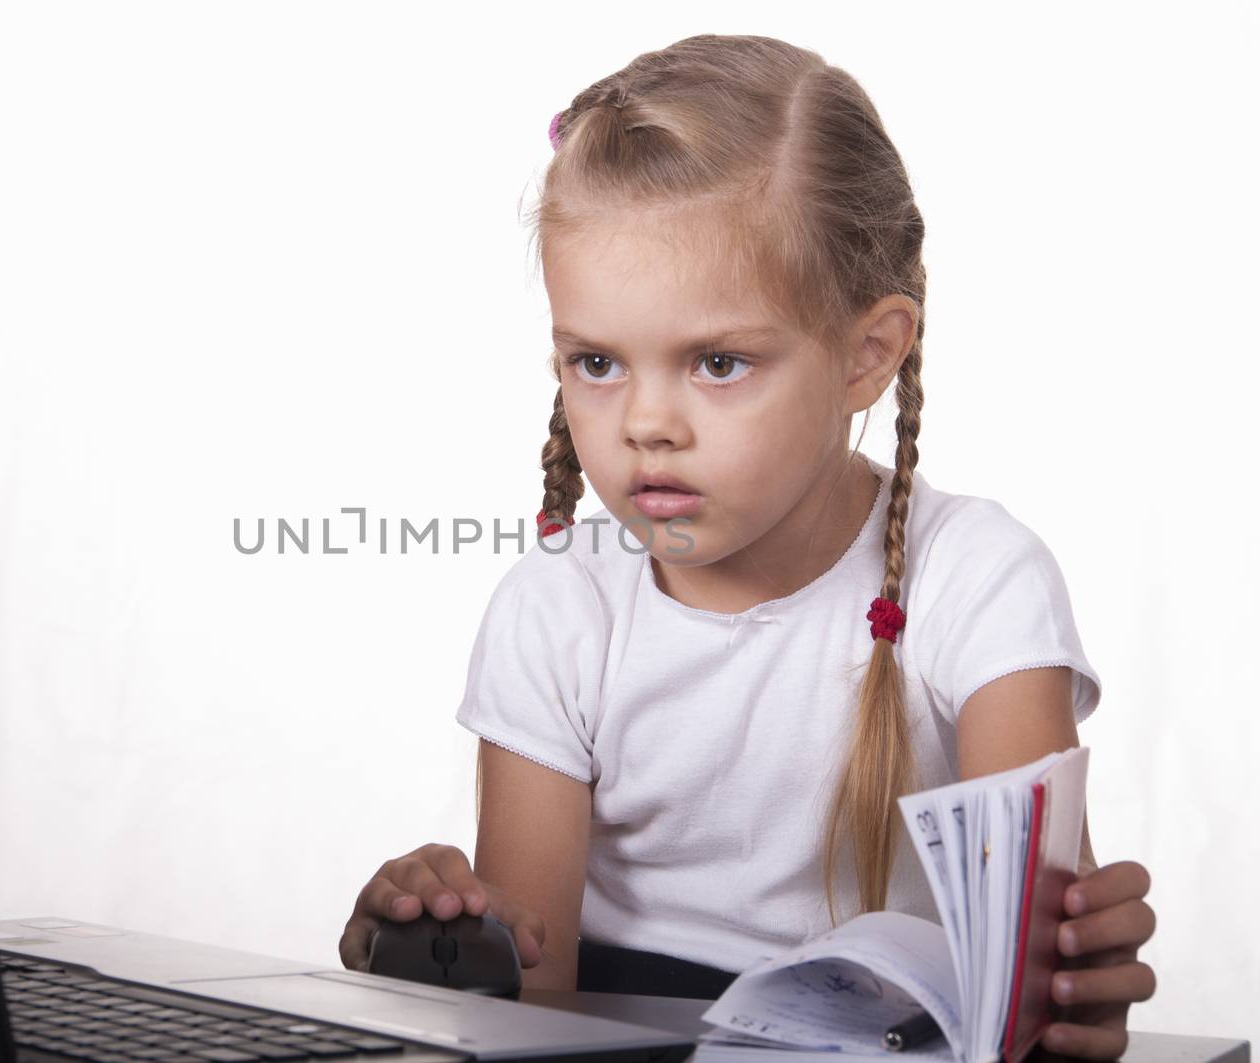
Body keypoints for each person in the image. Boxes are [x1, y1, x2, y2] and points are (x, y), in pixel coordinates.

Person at [338, 33, 1155, 1059]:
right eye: (595, 360)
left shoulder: (977, 583)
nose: (645, 422)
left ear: (867, 355)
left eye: (717, 362)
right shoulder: (560, 607)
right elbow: (530, 999)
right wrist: (443, 942)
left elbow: (1031, 985)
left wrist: (1071, 990)